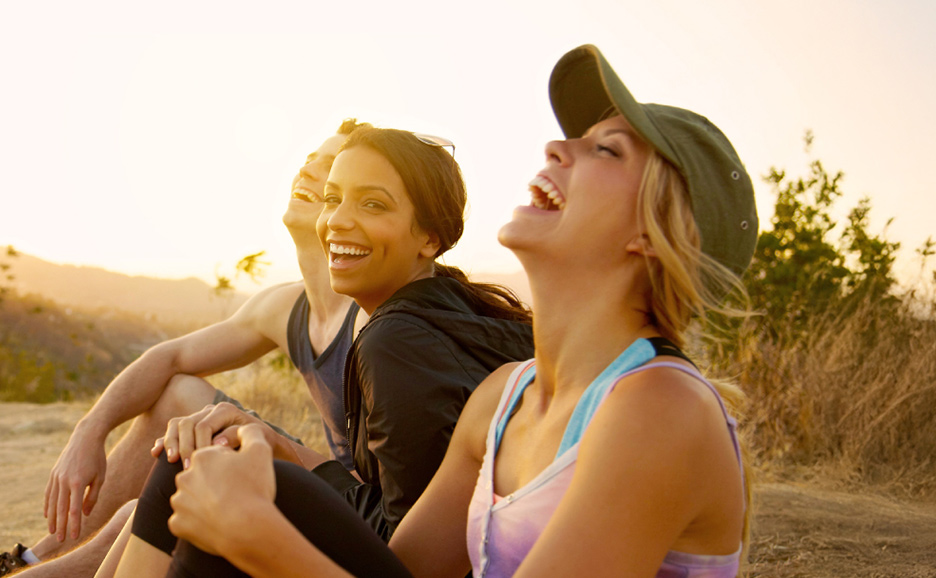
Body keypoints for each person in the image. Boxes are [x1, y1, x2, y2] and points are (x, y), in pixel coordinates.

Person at [114, 43, 759, 577]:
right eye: (575, 137)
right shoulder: (506, 396)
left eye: (606, 150)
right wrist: (274, 457)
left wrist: (257, 535)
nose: (558, 149)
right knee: (202, 466)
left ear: (651, 233)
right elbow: (400, 570)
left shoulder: (662, 410)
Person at [109, 125, 535, 576]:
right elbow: (410, 500)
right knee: (210, 466)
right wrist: (275, 444)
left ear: (429, 238)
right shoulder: (454, 307)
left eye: (372, 204)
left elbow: (410, 548)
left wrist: (262, 519)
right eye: (333, 199)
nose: (337, 221)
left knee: (189, 467)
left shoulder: (396, 342)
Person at [0, 119, 373, 577]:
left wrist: (265, 443)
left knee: (141, 511)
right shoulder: (287, 305)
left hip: (357, 517)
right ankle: (31, 559)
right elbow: (168, 357)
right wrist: (89, 431)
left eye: (330, 164)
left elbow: (390, 502)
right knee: (179, 393)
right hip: (325, 485)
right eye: (309, 159)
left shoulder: (373, 318)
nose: (309, 170)